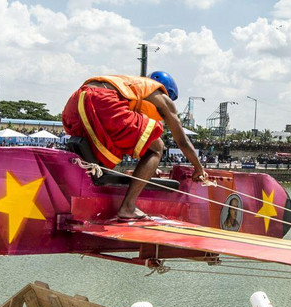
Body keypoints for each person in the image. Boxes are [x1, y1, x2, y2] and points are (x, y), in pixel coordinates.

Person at [61, 70, 207, 220]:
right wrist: (198, 168)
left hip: (77, 99)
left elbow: (130, 135)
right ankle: (128, 207)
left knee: (99, 151)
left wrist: (147, 169)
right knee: (157, 147)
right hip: (102, 99)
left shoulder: (130, 87)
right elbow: (182, 140)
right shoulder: (159, 94)